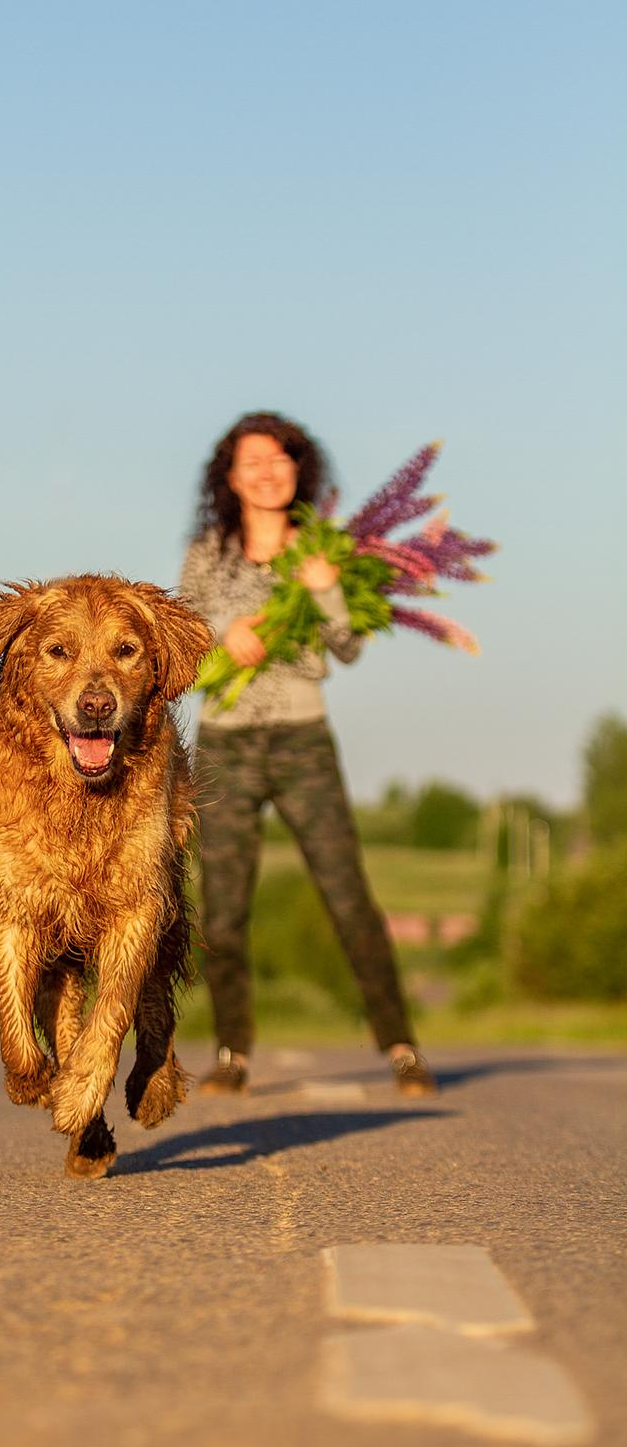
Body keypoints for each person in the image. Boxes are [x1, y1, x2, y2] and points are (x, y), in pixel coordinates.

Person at [179, 411, 437, 1095]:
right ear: (229, 477)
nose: (266, 472)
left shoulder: (322, 548)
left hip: (302, 740)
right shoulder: (207, 554)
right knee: (226, 911)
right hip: (226, 742)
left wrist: (324, 587)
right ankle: (232, 1053)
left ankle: (402, 1046)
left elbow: (348, 647)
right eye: (251, 461)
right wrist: (222, 635)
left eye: (279, 459)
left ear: (299, 469)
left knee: (348, 898)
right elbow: (177, 643)